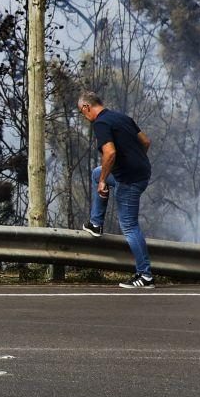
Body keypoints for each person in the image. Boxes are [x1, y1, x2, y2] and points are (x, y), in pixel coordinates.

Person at [77, 91, 154, 288]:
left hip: (129, 179)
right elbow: (145, 141)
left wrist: (104, 181)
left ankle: (145, 275)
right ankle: (96, 224)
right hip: (142, 172)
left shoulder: (101, 123)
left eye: (82, 112)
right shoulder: (121, 117)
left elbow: (110, 153)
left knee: (129, 226)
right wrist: (132, 161)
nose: (84, 117)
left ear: (87, 107)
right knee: (96, 173)